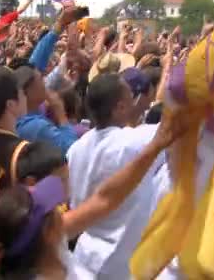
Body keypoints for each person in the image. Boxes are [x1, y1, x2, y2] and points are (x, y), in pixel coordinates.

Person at [0, 107, 188, 279]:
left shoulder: (50, 244)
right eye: (52, 208)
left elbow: (105, 199)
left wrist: (154, 147)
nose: (61, 207)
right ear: (48, 232)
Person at [66, 73, 166, 279]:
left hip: (84, 254)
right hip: (119, 260)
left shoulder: (75, 148)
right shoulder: (132, 143)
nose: (136, 102)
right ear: (120, 107)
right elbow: (173, 127)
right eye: (131, 97)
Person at [15, 64, 77, 155]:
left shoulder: (20, 114)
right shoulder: (37, 127)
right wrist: (61, 116)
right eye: (40, 79)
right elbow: (72, 150)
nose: (45, 82)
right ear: (28, 92)